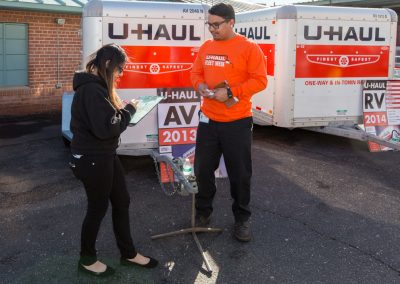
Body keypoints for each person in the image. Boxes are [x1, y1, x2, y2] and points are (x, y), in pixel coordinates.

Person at [69, 43, 158, 277]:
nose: (121, 74)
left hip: (105, 155)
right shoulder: (91, 90)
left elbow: (110, 121)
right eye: (120, 69)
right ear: (108, 64)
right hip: (93, 159)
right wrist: (129, 110)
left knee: (122, 201)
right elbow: (107, 128)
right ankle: (86, 259)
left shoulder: (98, 87)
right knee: (97, 208)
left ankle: (128, 254)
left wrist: (127, 110)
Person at [190, 3, 267, 242]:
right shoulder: (206, 47)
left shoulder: (249, 47)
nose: (212, 29)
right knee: (202, 170)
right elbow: (195, 73)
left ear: (231, 22)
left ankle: (242, 219)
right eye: (209, 24)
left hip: (237, 122)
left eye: (216, 24)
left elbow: (260, 81)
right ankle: (203, 214)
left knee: (240, 174)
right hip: (208, 121)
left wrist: (232, 92)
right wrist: (200, 86)